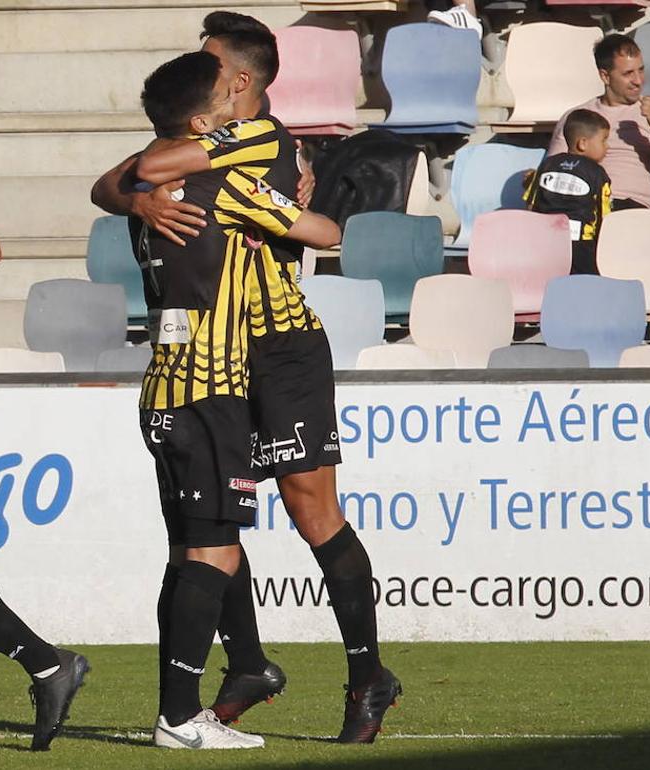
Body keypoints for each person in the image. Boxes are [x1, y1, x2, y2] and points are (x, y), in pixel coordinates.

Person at [96, 12, 401, 745]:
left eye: (204, 63)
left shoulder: (261, 135)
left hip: (280, 343)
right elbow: (113, 182)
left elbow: (148, 171)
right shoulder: (199, 142)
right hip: (219, 351)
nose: (193, 72)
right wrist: (135, 196)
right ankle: (248, 665)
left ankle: (368, 676)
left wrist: (142, 183)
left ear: (236, 81)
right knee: (210, 519)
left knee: (308, 508)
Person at [550, 34, 650, 211]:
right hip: (584, 206)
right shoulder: (578, 118)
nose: (638, 81)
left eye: (641, 70)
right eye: (628, 74)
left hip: (633, 209)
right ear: (605, 76)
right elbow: (554, 172)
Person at [525, 109, 613, 275]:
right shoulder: (597, 174)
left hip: (546, 240)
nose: (607, 147)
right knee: (583, 283)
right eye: (604, 140)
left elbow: (531, 204)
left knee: (547, 279)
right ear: (583, 144)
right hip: (581, 244)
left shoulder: (547, 165)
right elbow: (604, 215)